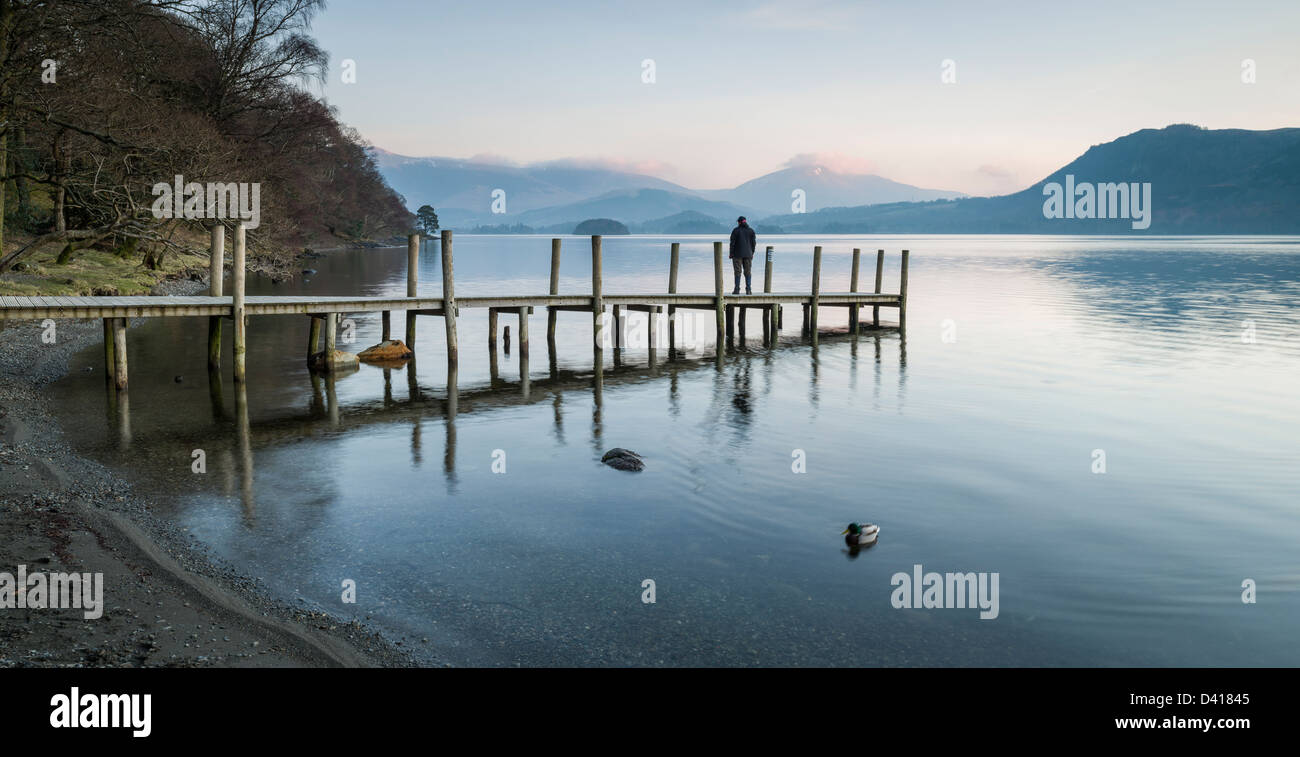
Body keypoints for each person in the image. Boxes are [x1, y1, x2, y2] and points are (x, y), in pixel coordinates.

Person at [729, 216, 756, 295]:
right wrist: (752, 253)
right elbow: (753, 244)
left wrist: (731, 254)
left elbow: (732, 243)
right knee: (748, 272)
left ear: (739, 222)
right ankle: (748, 290)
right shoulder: (751, 231)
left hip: (737, 255)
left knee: (737, 272)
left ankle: (737, 289)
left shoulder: (735, 231)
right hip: (748, 255)